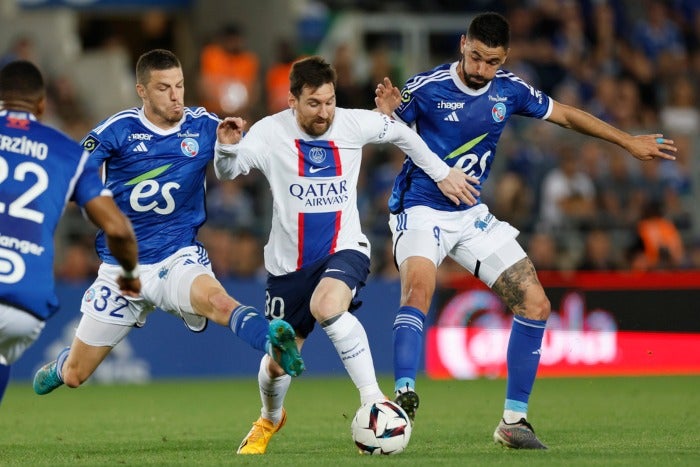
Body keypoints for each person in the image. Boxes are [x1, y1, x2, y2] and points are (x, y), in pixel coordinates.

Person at [374, 11, 677, 449]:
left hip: (470, 213)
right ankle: (402, 398)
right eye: (475, 57)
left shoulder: (509, 89)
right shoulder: (428, 87)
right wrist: (386, 115)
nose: (481, 70)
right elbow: (391, 129)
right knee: (419, 288)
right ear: (462, 44)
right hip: (420, 208)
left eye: (491, 61)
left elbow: (567, 116)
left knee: (536, 304)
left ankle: (513, 422)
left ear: (505, 58)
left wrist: (627, 141)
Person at [214, 55, 477, 455]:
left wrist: (442, 173)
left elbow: (404, 136)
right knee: (276, 366)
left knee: (327, 304)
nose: (324, 113)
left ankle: (373, 400)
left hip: (345, 247)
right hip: (289, 268)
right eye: (314, 103)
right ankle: (270, 417)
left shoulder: (353, 122)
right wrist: (226, 148)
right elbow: (229, 172)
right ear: (292, 101)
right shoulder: (270, 133)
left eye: (330, 101)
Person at [32, 49, 304, 397]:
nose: (176, 96)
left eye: (180, 85)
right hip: (122, 270)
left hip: (176, 258)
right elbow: (72, 168)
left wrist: (229, 147)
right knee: (75, 375)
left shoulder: (205, 126)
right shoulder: (119, 130)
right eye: (163, 88)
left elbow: (239, 161)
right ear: (142, 91)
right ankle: (62, 364)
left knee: (219, 301)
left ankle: (272, 341)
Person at [0, 60, 140, 406]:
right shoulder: (68, 153)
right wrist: (130, 274)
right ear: (42, 105)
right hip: (26, 300)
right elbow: (119, 229)